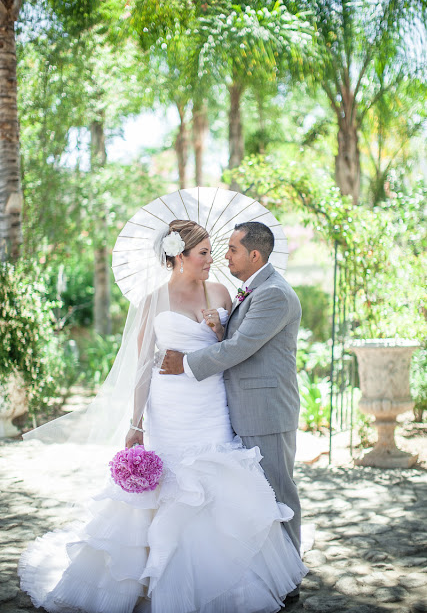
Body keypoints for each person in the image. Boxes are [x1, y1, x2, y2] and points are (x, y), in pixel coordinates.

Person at [19, 219, 307, 613]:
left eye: (218, 251)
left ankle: (230, 576)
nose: (213, 259)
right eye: (204, 253)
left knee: (218, 483)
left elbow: (233, 349)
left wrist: (216, 329)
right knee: (171, 488)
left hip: (213, 406)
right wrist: (135, 423)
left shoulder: (222, 293)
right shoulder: (153, 301)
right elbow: (142, 366)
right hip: (169, 407)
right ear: (179, 256)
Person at [161, 221, 303, 601]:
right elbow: (241, 341)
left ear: (254, 254)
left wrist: (185, 364)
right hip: (240, 409)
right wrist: (219, 331)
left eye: (232, 249)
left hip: (266, 412)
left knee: (277, 495)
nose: (225, 257)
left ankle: (289, 579)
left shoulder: (273, 294)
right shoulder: (254, 290)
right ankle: (266, 573)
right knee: (255, 498)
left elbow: (241, 349)